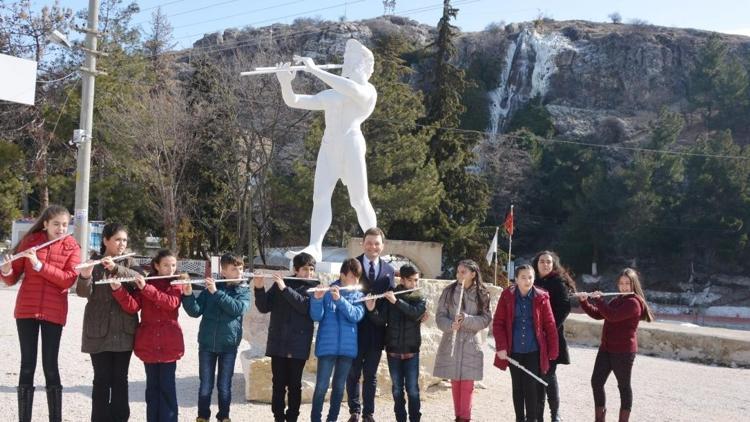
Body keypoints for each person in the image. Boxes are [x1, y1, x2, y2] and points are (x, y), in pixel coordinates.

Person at [275, 38, 378, 262]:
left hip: (351, 143)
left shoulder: (368, 91)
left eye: (351, 60)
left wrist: (314, 70)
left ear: (364, 65)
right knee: (320, 197)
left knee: (359, 200)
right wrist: (285, 82)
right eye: (346, 60)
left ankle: (375, 244)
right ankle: (314, 246)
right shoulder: (332, 94)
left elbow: (352, 89)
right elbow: (293, 101)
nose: (346, 63)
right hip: (329, 146)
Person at [1, 205, 81, 422]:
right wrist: (6, 270)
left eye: (65, 224)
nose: (61, 229)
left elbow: (68, 279)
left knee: (50, 365)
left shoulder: (72, 246)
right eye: (56, 224)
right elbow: (11, 277)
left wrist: (38, 265)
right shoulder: (30, 242)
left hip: (53, 312)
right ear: (45, 224)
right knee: (27, 364)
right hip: (27, 309)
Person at [76, 222, 143, 422]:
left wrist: (117, 268)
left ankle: (121, 418)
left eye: (124, 240)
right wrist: (85, 276)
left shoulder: (130, 262)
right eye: (117, 240)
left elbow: (141, 280)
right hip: (98, 330)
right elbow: (82, 293)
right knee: (101, 380)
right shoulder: (93, 262)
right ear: (106, 240)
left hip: (124, 330)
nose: (122, 244)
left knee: (120, 380)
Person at [112, 249, 184, 422]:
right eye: (166, 265)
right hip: (149, 343)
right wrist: (118, 290)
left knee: (167, 387)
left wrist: (146, 288)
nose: (171, 269)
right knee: (152, 388)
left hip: (169, 344)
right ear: (157, 266)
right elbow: (133, 306)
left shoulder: (176, 283)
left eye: (173, 265)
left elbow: (171, 303)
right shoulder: (146, 282)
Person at [574, 268, 654, 422]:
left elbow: (613, 316)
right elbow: (599, 314)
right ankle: (599, 419)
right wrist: (584, 301)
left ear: (633, 285)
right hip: (606, 349)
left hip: (623, 351)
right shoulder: (617, 300)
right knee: (596, 382)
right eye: (621, 283)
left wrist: (599, 300)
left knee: (623, 386)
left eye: (627, 284)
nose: (624, 287)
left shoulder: (634, 303)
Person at [182, 254, 250, 422]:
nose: (239, 272)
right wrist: (189, 294)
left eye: (241, 268)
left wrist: (216, 293)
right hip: (207, 345)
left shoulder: (244, 290)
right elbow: (195, 311)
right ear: (224, 271)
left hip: (228, 346)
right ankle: (203, 416)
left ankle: (224, 416)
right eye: (234, 269)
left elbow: (237, 309)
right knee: (205, 385)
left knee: (224, 386)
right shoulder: (210, 289)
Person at [254, 252, 319, 422]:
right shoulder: (280, 284)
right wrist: (259, 287)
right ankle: (278, 417)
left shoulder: (313, 287)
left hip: (298, 345)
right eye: (305, 269)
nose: (309, 273)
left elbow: (303, 306)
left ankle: (292, 418)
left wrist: (284, 288)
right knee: (278, 384)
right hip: (279, 343)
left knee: (295, 385)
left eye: (311, 269)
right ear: (296, 270)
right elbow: (263, 306)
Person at [493, 264, 559, 422]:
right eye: (523, 277)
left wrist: (553, 352)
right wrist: (501, 347)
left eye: (530, 277)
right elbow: (498, 323)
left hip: (533, 351)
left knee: (531, 388)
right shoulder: (507, 295)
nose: (527, 280)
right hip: (513, 350)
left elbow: (550, 325)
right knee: (517, 387)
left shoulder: (542, 297)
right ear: (516, 279)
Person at [365, 264, 426, 422]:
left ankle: (415, 419)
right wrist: (372, 309)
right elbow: (381, 320)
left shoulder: (420, 297)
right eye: (411, 280)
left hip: (412, 351)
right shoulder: (391, 296)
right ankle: (400, 419)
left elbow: (414, 313)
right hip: (393, 351)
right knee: (397, 390)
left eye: (416, 280)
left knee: (412, 389)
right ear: (403, 280)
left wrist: (396, 301)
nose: (415, 284)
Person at [433, 259, 492, 422]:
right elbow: (439, 317)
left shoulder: (482, 293)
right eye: (458, 272)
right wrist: (450, 325)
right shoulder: (449, 291)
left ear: (473, 274)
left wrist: (466, 320)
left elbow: (486, 319)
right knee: (455, 382)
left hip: (471, 343)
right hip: (451, 340)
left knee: (467, 384)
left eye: (463, 272)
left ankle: (465, 418)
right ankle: (458, 416)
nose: (459, 275)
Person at [347, 227, 395, 422]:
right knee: (353, 373)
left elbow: (390, 303)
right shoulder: (352, 265)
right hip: (354, 330)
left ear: (382, 246)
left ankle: (369, 413)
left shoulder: (389, 271)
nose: (372, 247)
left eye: (376, 243)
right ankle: (354, 411)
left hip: (376, 332)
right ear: (362, 243)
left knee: (371, 376)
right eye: (369, 242)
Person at [309, 258, 366, 422]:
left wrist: (339, 300)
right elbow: (316, 316)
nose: (355, 281)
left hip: (347, 350)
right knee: (321, 387)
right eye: (352, 276)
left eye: (357, 277)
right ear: (342, 275)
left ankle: (332, 419)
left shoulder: (358, 295)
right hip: (327, 347)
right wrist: (317, 299)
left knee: (339, 388)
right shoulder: (327, 291)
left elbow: (356, 315)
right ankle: (315, 419)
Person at [532, 251, 576, 421]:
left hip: (552, 337)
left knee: (548, 375)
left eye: (548, 262)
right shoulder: (532, 280)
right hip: (534, 337)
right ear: (537, 264)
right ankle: (538, 416)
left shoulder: (557, 283)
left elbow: (564, 308)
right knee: (536, 377)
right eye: (542, 261)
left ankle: (555, 414)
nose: (545, 264)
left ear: (553, 264)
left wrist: (547, 329)